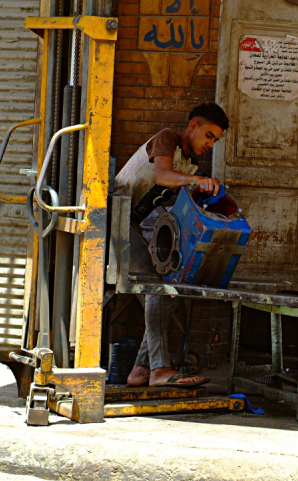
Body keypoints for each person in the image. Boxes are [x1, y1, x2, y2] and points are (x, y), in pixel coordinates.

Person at [114, 102, 229, 387]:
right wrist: (197, 180)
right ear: (193, 126)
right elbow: (163, 176)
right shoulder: (168, 138)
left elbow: (167, 210)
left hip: (133, 227)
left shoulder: (190, 165)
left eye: (216, 140)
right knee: (158, 290)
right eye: (209, 136)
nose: (210, 144)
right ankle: (159, 370)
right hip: (112, 219)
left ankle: (140, 370)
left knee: (166, 293)